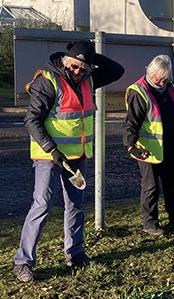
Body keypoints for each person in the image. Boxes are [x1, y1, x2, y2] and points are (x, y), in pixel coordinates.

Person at [14, 41, 124, 282]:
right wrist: (51, 149)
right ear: (65, 61)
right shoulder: (48, 81)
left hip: (77, 156)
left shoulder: (89, 80)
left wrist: (91, 54)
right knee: (42, 205)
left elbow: (117, 71)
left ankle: (75, 254)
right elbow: (32, 120)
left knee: (75, 205)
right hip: (49, 157)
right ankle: (23, 262)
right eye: (74, 66)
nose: (78, 72)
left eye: (84, 69)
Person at [124, 55, 174, 237]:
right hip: (147, 150)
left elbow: (171, 112)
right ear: (150, 73)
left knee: (171, 184)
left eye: (165, 78)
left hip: (167, 146)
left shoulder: (169, 88)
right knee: (151, 188)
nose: (161, 82)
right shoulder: (139, 91)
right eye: (158, 78)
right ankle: (150, 224)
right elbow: (131, 123)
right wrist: (130, 146)